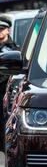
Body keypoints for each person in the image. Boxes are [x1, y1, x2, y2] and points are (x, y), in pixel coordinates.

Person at [0, 16, 19, 150]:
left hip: (6, 90)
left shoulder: (15, 49)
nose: (0, 32)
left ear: (8, 30)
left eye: (2, 29)